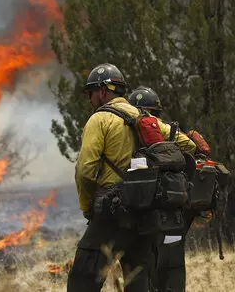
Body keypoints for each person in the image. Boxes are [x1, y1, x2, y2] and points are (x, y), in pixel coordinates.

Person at [67, 64, 175, 292]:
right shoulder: (145, 118)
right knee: (138, 283)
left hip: (112, 214)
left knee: (81, 281)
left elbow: (85, 171)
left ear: (103, 92)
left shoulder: (100, 120)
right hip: (145, 215)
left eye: (91, 93)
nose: (90, 99)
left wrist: (88, 207)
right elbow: (187, 143)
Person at [128, 86, 197, 292]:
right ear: (156, 110)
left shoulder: (127, 129)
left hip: (142, 211)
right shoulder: (165, 127)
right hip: (171, 209)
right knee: (173, 263)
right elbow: (190, 147)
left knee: (143, 265)